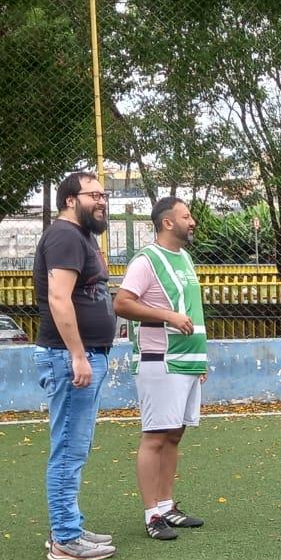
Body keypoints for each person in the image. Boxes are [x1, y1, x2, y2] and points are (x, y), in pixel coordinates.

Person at [33, 172, 117, 560]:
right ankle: (65, 539)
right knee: (68, 450)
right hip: (70, 358)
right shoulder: (65, 235)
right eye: (94, 194)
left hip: (84, 355)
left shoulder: (82, 237)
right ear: (71, 199)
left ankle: (70, 526)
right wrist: (78, 355)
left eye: (104, 194)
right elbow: (59, 299)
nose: (101, 201)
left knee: (74, 448)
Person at [113, 197, 209, 540]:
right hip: (160, 361)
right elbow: (122, 303)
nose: (192, 221)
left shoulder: (183, 258)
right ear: (168, 222)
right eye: (186, 216)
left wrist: (201, 360)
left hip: (187, 361)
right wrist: (167, 317)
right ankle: (152, 513)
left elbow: (192, 312)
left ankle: (167, 506)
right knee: (155, 435)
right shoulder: (146, 260)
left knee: (175, 433)